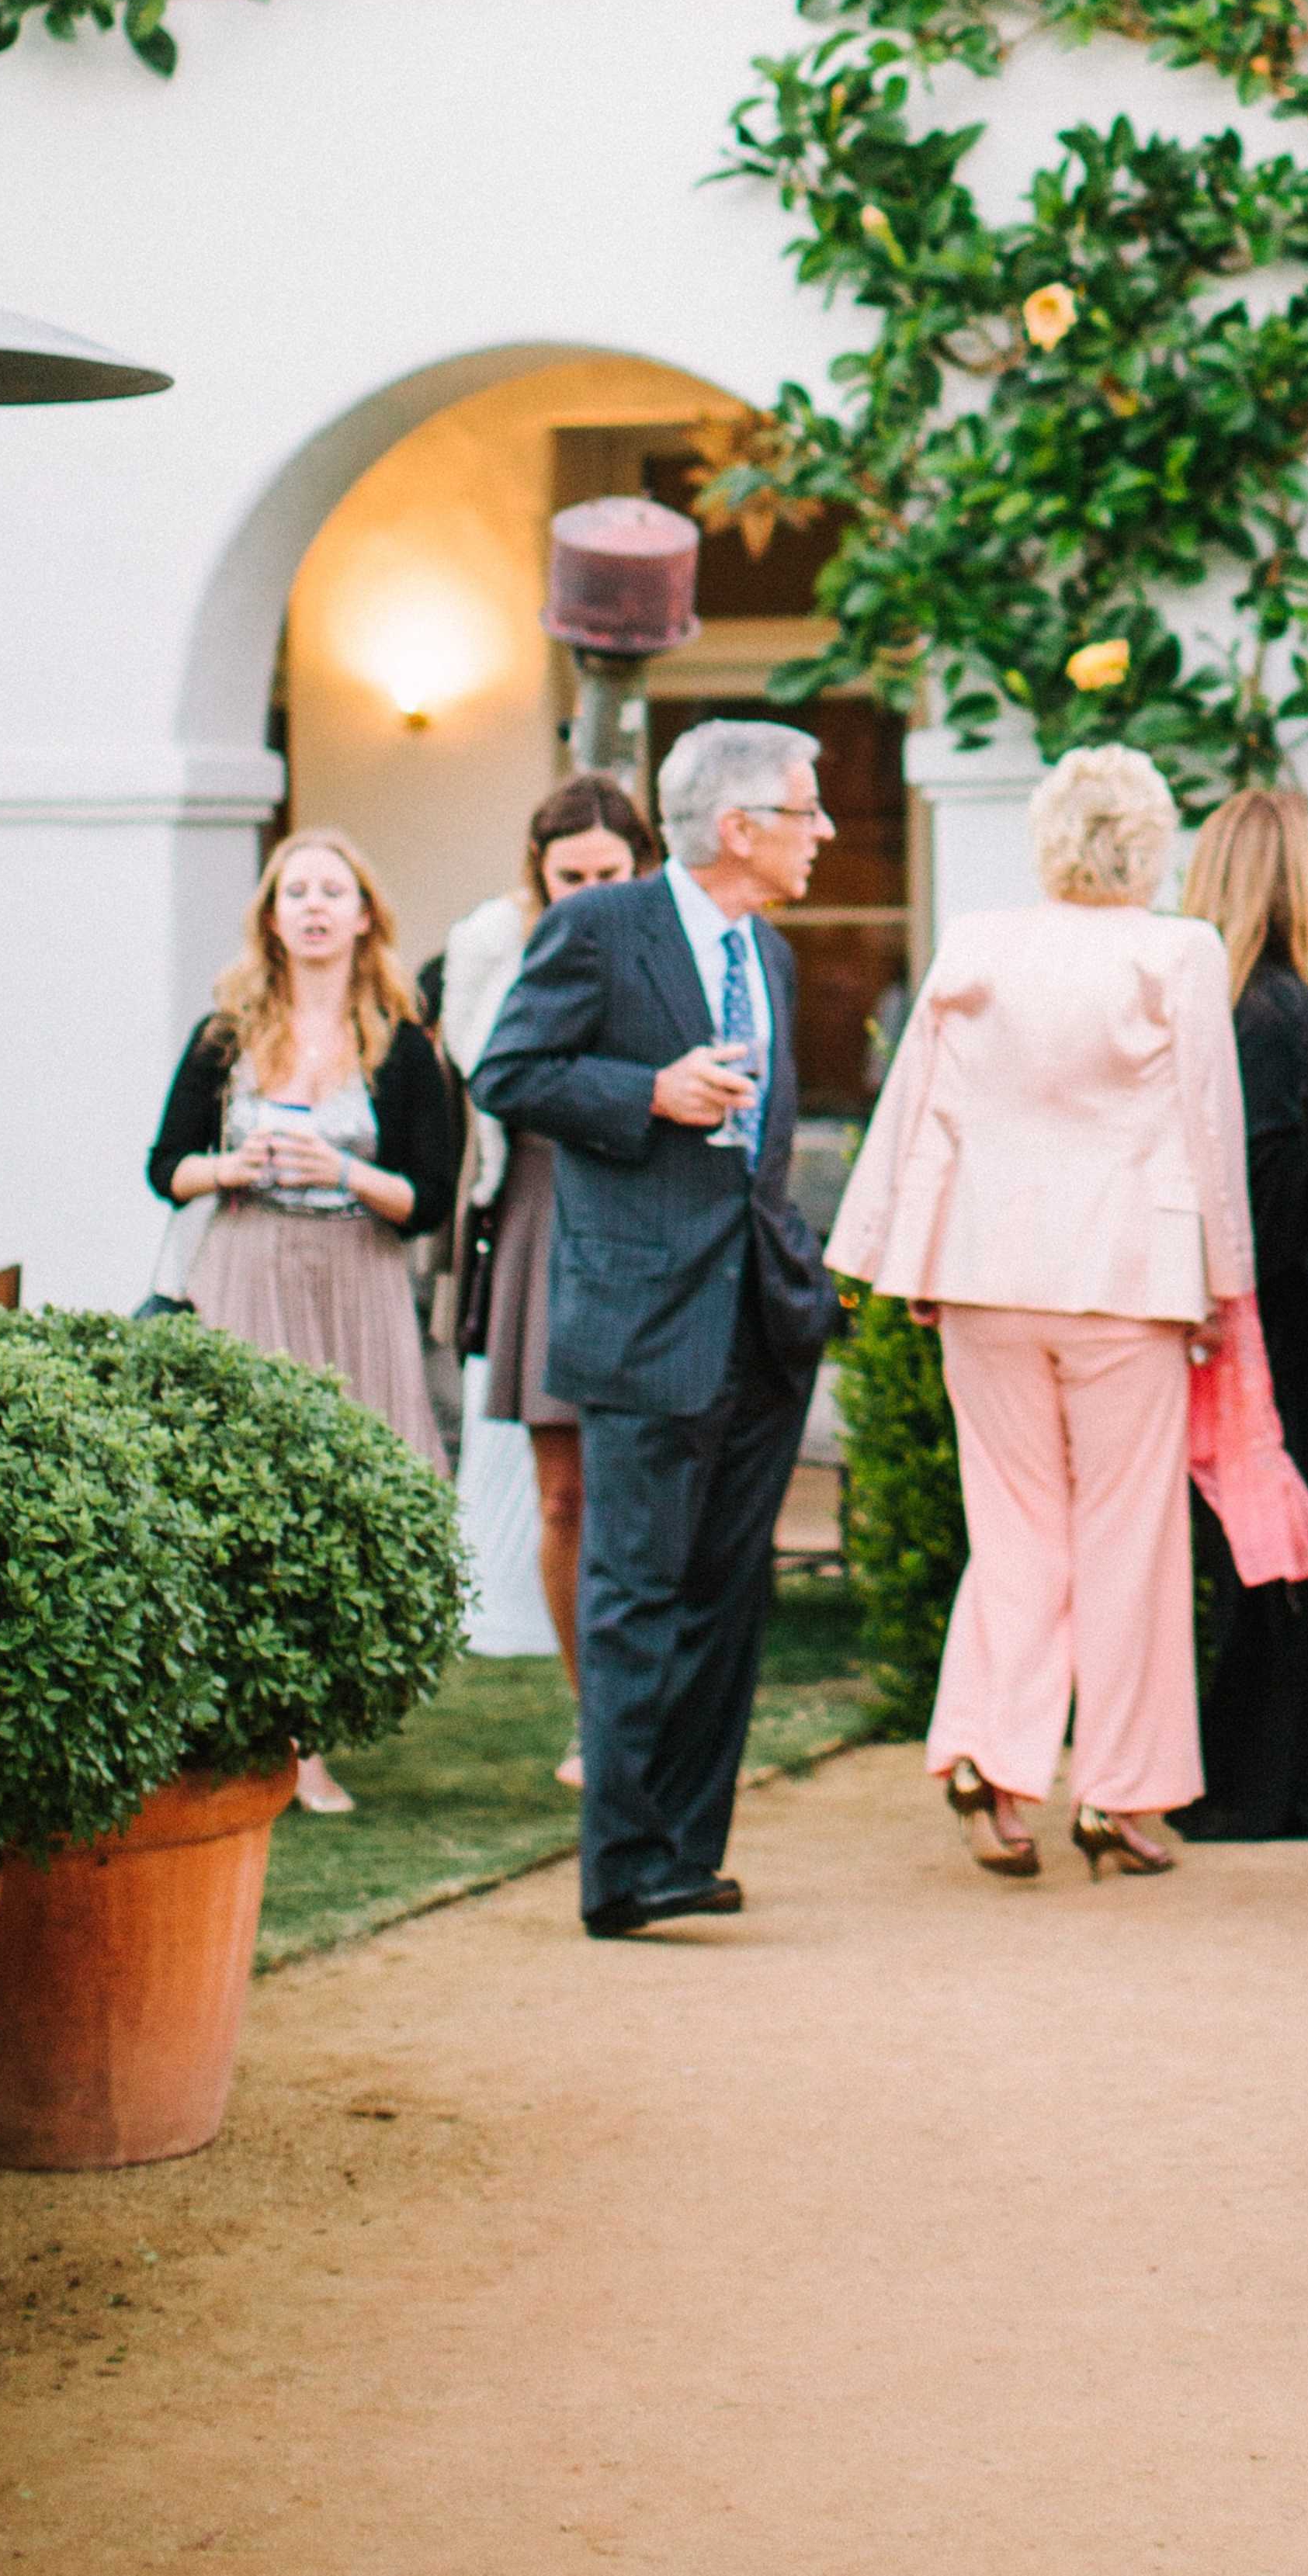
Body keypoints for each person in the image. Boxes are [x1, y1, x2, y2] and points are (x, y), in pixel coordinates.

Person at [826, 742, 1254, 1881]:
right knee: (1129, 1541)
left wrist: (896, 1258)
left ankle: (987, 1754)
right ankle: (1119, 1796)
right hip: (1126, 1281)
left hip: (981, 1274)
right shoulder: (1180, 949)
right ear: (1151, 843)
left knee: (1013, 1527)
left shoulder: (981, 942)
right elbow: (1210, 1127)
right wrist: (1224, 1282)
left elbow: (920, 1105)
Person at [470, 717, 839, 1938]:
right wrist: (648, 1092)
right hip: (641, 1317)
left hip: (761, 1318)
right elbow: (510, 1073)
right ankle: (622, 1869)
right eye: (807, 809)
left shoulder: (770, 955)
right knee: (636, 1590)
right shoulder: (598, 928)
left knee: (730, 1593)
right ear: (740, 829)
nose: (825, 831)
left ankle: (687, 1849)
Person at [150, 828, 459, 1812]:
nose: (316, 907)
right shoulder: (226, 1034)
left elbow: (436, 1196)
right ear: (272, 917)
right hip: (245, 1266)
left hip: (356, 1276)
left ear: (366, 914)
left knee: (346, 1499)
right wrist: (228, 1167)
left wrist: (349, 1173)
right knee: (243, 1491)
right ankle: (253, 1730)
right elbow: (167, 1166)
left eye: (334, 891)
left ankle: (314, 1737)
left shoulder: (402, 1043)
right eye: (297, 892)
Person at [442, 776, 659, 1789]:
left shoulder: (669, 944)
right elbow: (490, 1073)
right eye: (566, 875)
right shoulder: (499, 946)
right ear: (538, 872)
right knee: (562, 1493)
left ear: (641, 866)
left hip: (640, 1209)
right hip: (535, 1203)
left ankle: (661, 1713)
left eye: (606, 874)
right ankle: (597, 1721)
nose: (585, 894)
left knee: (646, 1493)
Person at [1172, 785, 1308, 1842]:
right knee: (1291, 1543)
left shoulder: (1220, 1011)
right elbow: (1285, 1181)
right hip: (1282, 1317)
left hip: (1230, 1311)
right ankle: (1283, 1771)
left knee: (1264, 1544)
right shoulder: (1285, 1012)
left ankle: (1300, 1759)